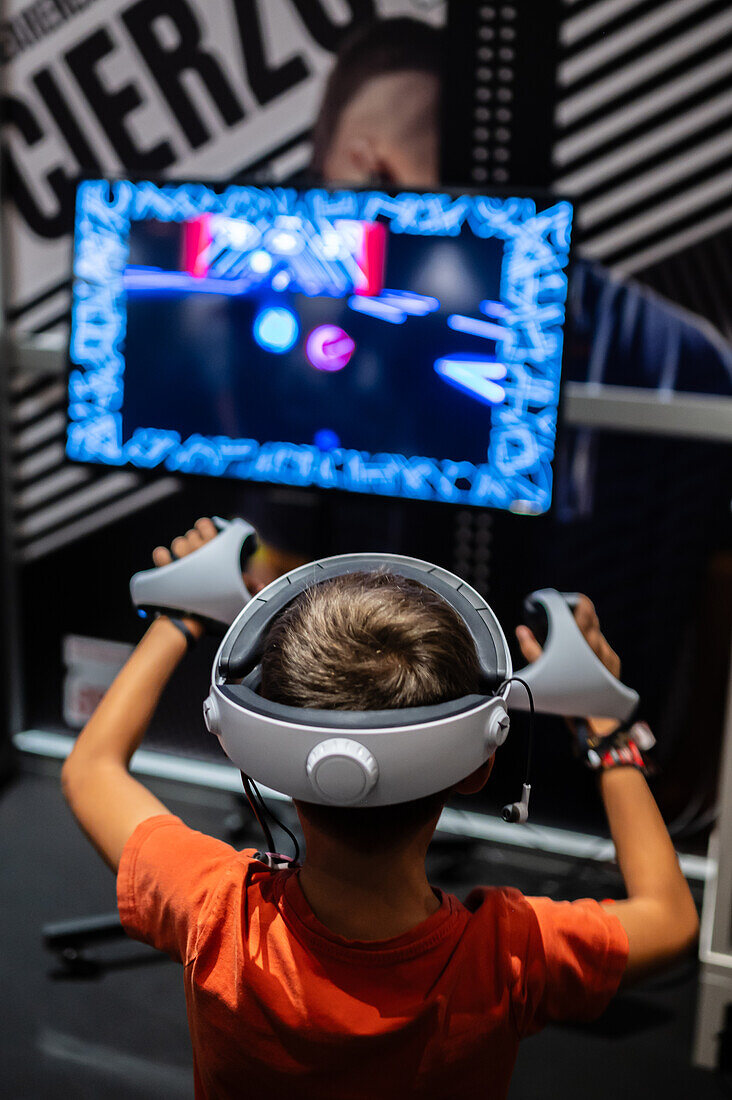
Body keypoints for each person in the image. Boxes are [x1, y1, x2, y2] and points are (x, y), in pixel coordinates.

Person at [62, 517, 699, 1099]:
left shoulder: (215, 912)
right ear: (481, 765)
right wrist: (610, 737)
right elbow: (671, 921)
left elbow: (91, 770)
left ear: (259, 750)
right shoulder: (509, 956)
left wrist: (178, 617)